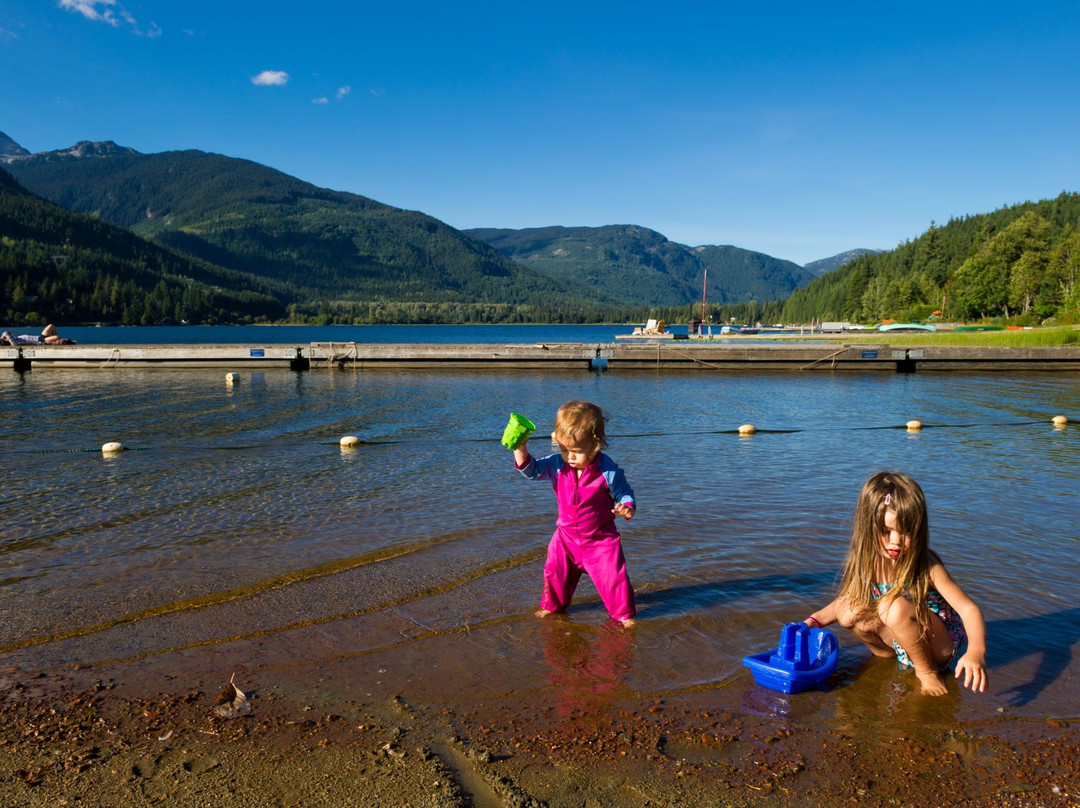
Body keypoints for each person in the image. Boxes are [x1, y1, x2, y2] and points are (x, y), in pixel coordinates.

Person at [805, 471, 988, 696]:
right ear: (868, 527)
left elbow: (968, 609)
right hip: (904, 638)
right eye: (886, 531)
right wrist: (812, 622)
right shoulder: (867, 562)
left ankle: (927, 672)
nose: (896, 541)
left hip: (938, 645)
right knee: (848, 609)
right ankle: (884, 656)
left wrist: (976, 652)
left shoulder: (927, 566)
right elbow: (839, 604)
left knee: (892, 606)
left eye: (906, 532)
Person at [512, 400, 638, 627]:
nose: (569, 456)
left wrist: (626, 508)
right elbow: (531, 471)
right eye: (563, 449)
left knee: (614, 579)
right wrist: (520, 449)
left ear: (595, 445)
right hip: (566, 538)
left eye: (576, 451)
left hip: (600, 540)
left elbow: (625, 493)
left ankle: (624, 616)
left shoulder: (607, 470)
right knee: (554, 572)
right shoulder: (557, 465)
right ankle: (552, 607)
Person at [0, 324, 77, 345]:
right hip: (41, 342)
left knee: (51, 326)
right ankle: (58, 341)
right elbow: (6, 333)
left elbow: (9, 333)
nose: (7, 338)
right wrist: (3, 337)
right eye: (6, 339)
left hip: (40, 337)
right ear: (7, 341)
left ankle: (54, 342)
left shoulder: (15, 338)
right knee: (57, 337)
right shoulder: (14, 343)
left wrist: (3, 338)